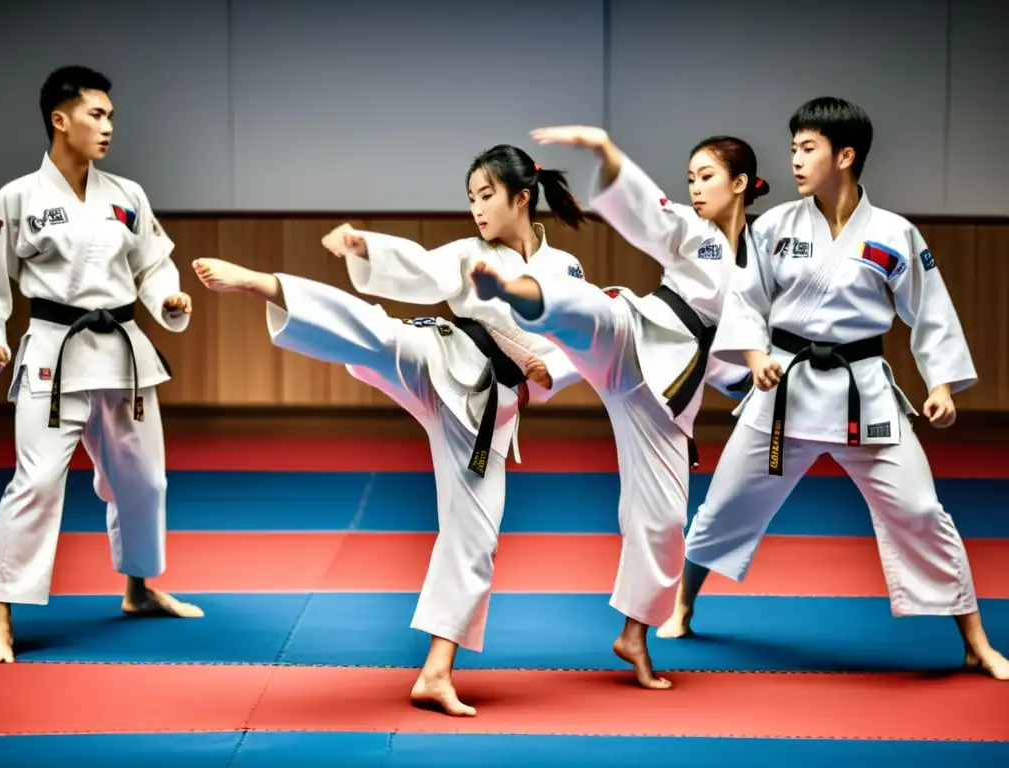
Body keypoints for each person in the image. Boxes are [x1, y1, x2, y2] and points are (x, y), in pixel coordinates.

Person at [192, 144, 588, 716]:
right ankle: (269, 285)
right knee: (376, 333)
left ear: (522, 198)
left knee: (476, 540)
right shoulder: (469, 252)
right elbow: (420, 268)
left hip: (486, 411)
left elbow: (581, 337)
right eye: (470, 198)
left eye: (487, 197)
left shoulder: (566, 270)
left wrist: (551, 370)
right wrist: (366, 246)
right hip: (441, 357)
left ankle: (435, 673)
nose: (476, 209)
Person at [660, 96, 1009, 680]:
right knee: (724, 504)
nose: (794, 160)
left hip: (862, 392)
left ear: (845, 156)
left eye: (808, 148)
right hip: (785, 390)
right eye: (793, 147)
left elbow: (931, 313)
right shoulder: (773, 227)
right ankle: (683, 605)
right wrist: (754, 356)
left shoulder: (895, 233)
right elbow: (745, 301)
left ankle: (975, 641)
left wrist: (942, 384)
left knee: (922, 510)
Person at [468, 125, 762, 689]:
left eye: (707, 178)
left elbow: (749, 343)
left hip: (673, 392)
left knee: (666, 519)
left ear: (741, 184)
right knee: (589, 312)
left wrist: (752, 376)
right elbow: (650, 212)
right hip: (642, 334)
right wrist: (604, 148)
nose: (695, 189)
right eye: (691, 178)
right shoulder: (693, 230)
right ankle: (517, 293)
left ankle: (633, 635)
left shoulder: (767, 255)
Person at [0, 66, 204, 664]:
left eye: (110, 116)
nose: (108, 126)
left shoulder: (127, 195)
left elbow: (155, 262)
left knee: (143, 481)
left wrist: (167, 297)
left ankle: (138, 589)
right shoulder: (16, 198)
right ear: (61, 120)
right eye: (96, 115)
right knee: (34, 482)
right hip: (54, 354)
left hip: (123, 353)